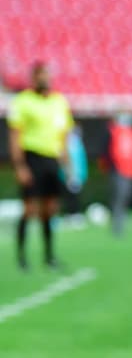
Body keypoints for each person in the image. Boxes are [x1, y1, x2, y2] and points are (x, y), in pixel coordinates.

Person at [7, 62, 74, 270]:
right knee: (29, 209)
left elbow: (63, 136)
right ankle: (21, 256)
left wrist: (67, 163)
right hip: (32, 158)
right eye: (40, 76)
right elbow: (15, 136)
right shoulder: (23, 102)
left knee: (50, 209)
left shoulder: (59, 102)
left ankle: (49, 256)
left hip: (51, 160)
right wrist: (20, 166)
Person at [105, 111, 132, 236]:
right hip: (118, 170)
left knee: (126, 197)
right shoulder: (114, 132)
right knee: (118, 197)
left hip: (130, 170)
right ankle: (117, 226)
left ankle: (122, 221)